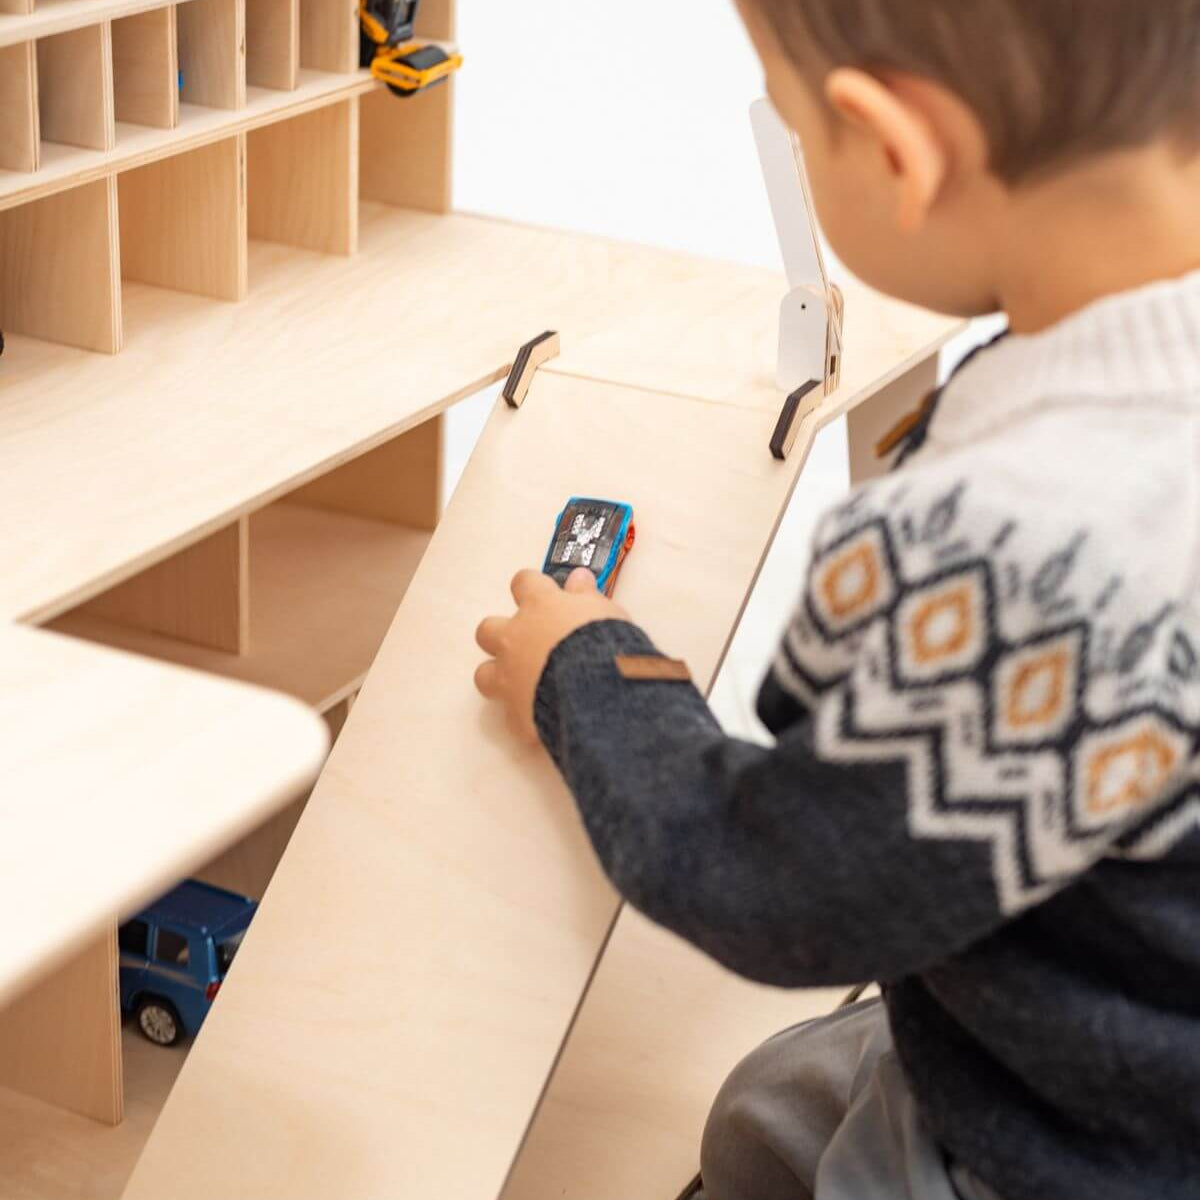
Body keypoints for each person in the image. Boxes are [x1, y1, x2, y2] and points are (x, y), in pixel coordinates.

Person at [473, 2, 1200, 1197]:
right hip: (1136, 975)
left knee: (797, 1127)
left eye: (794, 120)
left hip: (1085, 1149)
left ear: (895, 150)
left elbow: (771, 884)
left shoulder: (1021, 552)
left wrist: (589, 672)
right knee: (770, 1105)